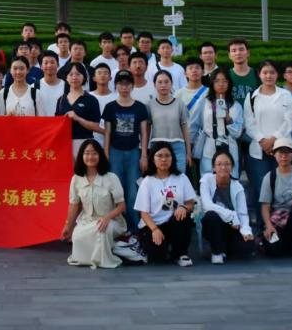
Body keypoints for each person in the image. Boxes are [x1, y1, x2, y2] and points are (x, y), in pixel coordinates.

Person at [243, 60, 292, 228]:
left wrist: (273, 140)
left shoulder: (285, 95)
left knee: (282, 190)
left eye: (272, 72)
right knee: (261, 190)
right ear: (259, 75)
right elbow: (249, 122)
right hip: (258, 150)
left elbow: (289, 121)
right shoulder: (252, 96)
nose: (268, 76)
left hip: (282, 149)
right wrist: (262, 141)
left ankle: (281, 227)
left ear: (277, 75)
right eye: (265, 72)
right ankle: (262, 228)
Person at [61, 140, 127, 268]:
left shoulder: (111, 177)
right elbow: (74, 205)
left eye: (94, 153)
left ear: (100, 156)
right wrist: (68, 226)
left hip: (111, 221)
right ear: (81, 156)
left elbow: (122, 206)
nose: (90, 157)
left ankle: (103, 258)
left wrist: (107, 218)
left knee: (102, 231)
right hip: (87, 221)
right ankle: (100, 253)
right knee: (77, 237)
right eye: (87, 153)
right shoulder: (76, 179)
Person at [133, 141, 197, 266]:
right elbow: (143, 213)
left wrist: (184, 207)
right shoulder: (147, 181)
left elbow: (191, 202)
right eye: (159, 156)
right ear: (153, 159)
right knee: (158, 258)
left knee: (183, 217)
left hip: (174, 223)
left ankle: (181, 254)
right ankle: (162, 249)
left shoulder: (181, 178)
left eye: (167, 156)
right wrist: (155, 229)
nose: (164, 159)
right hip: (153, 225)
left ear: (172, 158)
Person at [101, 70, 150, 225]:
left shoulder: (140, 107)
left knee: (133, 191)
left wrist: (144, 155)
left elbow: (144, 133)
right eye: (121, 84)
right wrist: (106, 154)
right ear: (116, 86)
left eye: (127, 84)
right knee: (117, 191)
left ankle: (134, 227)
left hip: (134, 152)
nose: (124, 87)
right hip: (115, 152)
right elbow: (107, 133)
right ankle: (118, 226)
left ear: (132, 86)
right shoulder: (110, 107)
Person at [198, 149, 256, 263]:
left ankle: (224, 248)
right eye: (219, 164)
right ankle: (217, 253)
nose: (223, 167)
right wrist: (230, 216)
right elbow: (207, 205)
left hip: (231, 227)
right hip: (212, 226)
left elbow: (243, 214)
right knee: (211, 215)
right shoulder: (206, 180)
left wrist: (246, 231)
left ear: (232, 167)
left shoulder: (238, 186)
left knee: (248, 246)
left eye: (227, 164)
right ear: (213, 167)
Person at [190, 68, 243, 176]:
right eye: (217, 81)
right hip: (209, 147)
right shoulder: (204, 103)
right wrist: (190, 147)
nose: (221, 84)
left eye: (224, 81)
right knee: (208, 179)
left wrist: (228, 119)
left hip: (230, 147)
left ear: (229, 83)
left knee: (230, 179)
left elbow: (238, 133)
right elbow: (194, 125)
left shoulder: (236, 105)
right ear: (212, 83)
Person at [146, 70, 191, 173]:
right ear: (154, 84)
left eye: (166, 82)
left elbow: (185, 129)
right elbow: (146, 131)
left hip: (178, 146)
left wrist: (188, 152)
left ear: (171, 84)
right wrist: (145, 153)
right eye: (160, 82)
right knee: (158, 177)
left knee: (179, 177)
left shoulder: (179, 104)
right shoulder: (149, 105)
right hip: (157, 146)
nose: (163, 85)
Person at [55, 66, 102, 158]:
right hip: (64, 144)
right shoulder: (61, 100)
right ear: (66, 78)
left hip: (84, 143)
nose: (74, 77)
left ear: (84, 77)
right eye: (71, 74)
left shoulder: (91, 99)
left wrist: (78, 118)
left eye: (78, 74)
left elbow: (96, 126)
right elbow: (57, 124)